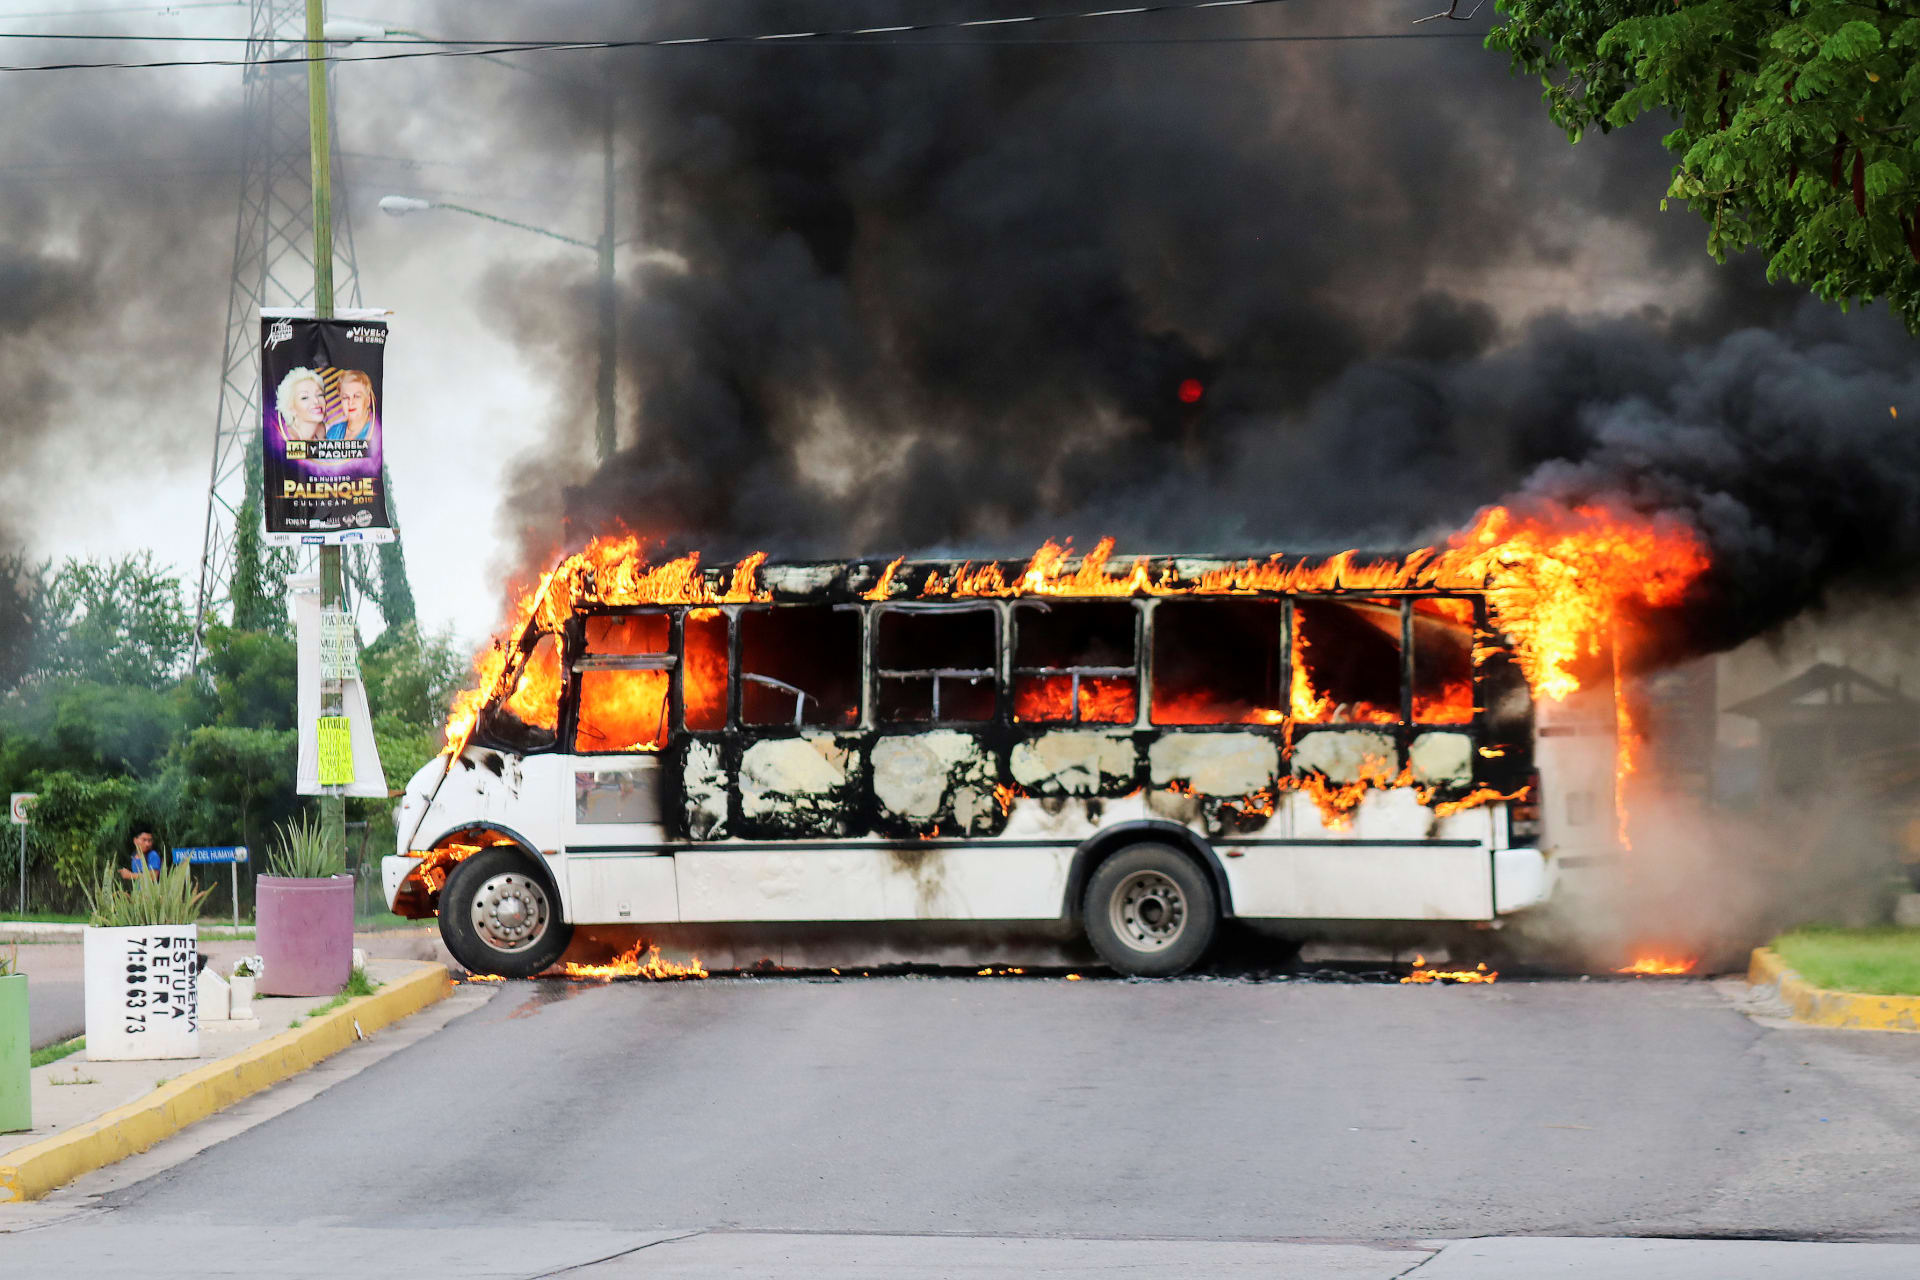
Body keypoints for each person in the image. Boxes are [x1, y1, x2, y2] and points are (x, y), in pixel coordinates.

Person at [275, 367, 328, 442]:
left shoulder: (322, 430)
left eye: (319, 395)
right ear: (291, 408)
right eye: (305, 397)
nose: (316, 401)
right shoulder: (286, 439)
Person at [328, 370, 378, 442]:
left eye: (357, 396)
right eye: (345, 397)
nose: (350, 402)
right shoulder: (333, 431)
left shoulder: (375, 432)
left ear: (368, 401)